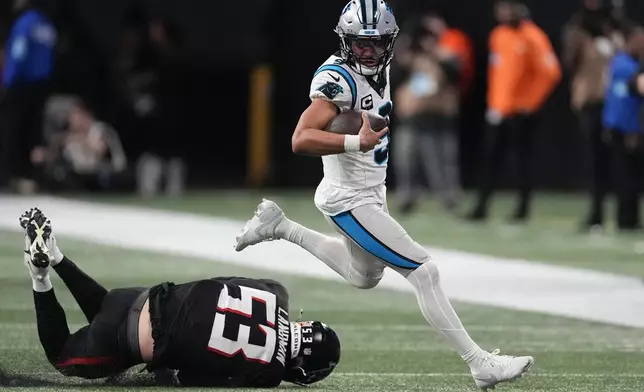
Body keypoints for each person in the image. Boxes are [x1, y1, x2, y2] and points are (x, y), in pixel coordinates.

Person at [234, 1, 534, 390]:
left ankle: (280, 226)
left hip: (369, 192)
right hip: (349, 200)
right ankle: (480, 363)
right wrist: (353, 141)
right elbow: (300, 138)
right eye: (360, 44)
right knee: (424, 273)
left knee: (363, 276)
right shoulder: (336, 78)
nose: (369, 52)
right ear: (346, 42)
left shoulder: (384, 68)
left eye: (377, 44)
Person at [18, 207, 340, 387]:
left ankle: (58, 257)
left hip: (136, 297)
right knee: (63, 359)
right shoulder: (269, 373)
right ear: (300, 369)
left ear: (306, 324)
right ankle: (41, 275)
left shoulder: (275, 293)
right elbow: (187, 377)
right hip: (128, 340)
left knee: (107, 309)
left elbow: (217, 283)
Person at [0, 0, 56, 193]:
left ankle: (8, 176)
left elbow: (18, 53)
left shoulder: (24, 23)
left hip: (21, 84)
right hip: (41, 86)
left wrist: (7, 82)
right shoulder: (46, 24)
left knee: (10, 129)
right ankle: (32, 175)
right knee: (34, 132)